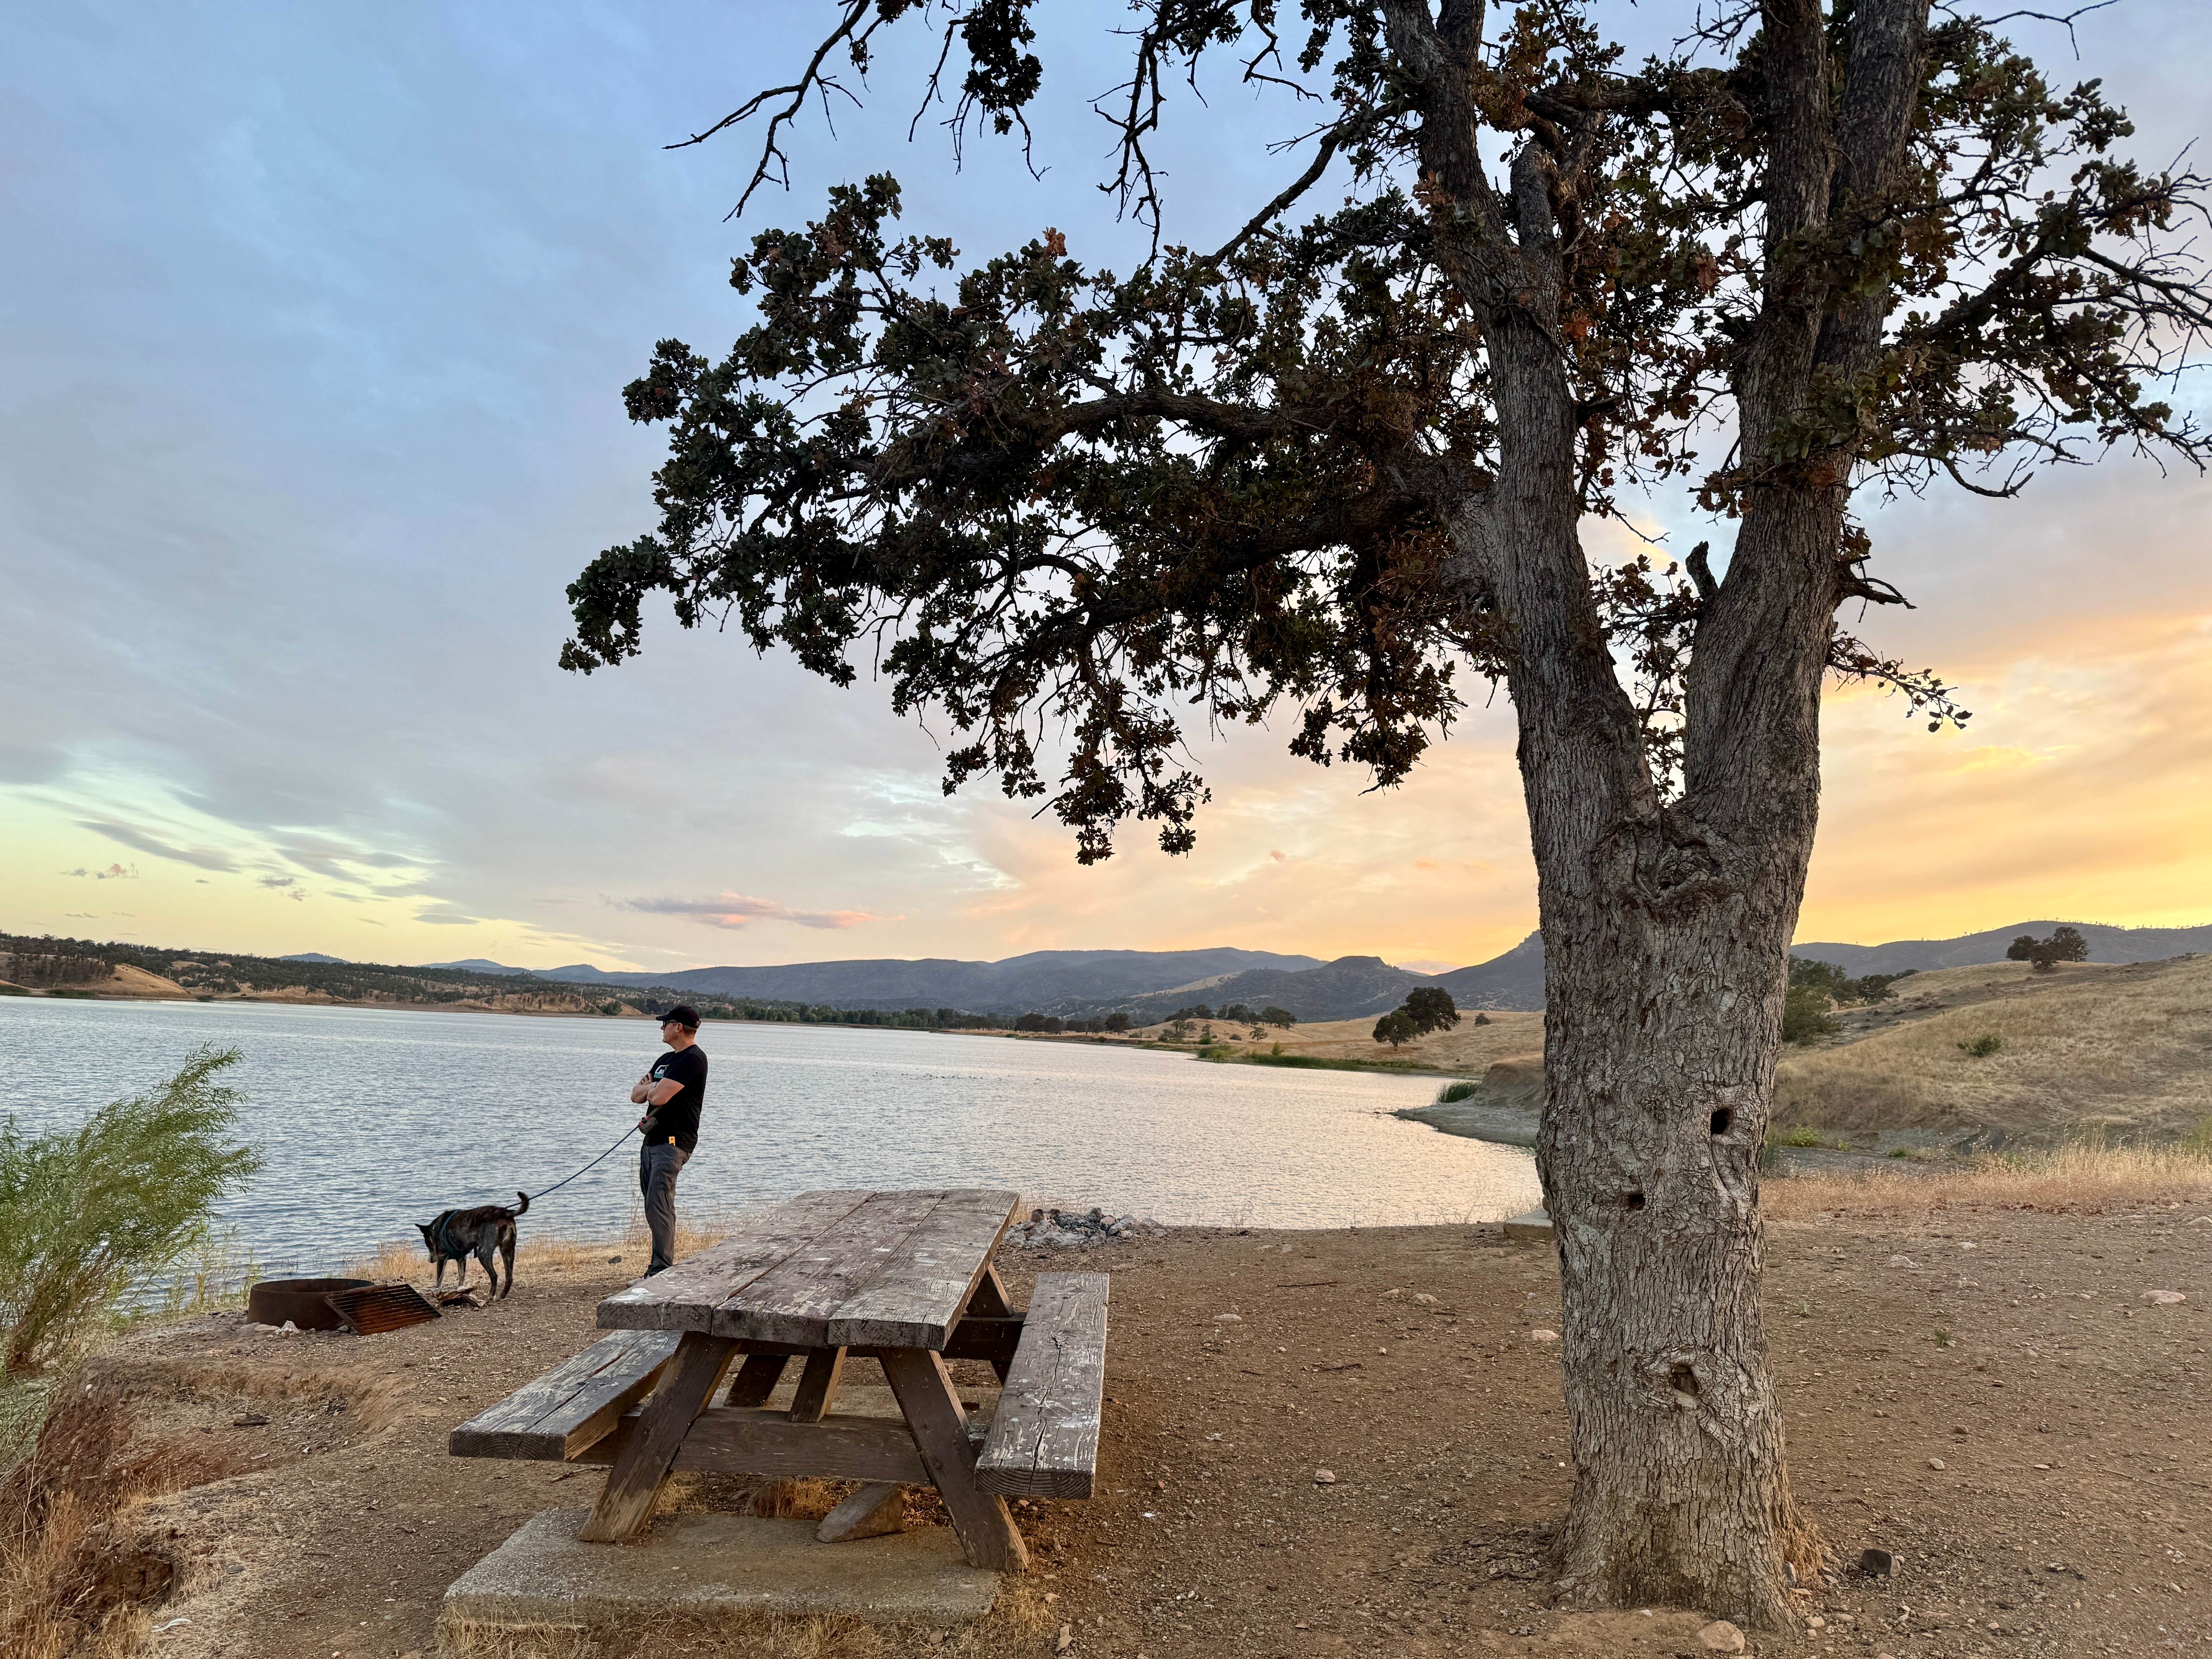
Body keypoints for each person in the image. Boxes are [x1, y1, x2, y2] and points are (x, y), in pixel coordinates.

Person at [630, 1005, 707, 1276]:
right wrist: (654, 1087)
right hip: (652, 1140)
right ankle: (658, 1268)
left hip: (673, 1144)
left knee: (659, 1204)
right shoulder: (665, 1059)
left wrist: (652, 1088)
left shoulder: (693, 1060)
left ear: (678, 1027)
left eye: (666, 1023)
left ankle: (660, 1272)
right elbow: (636, 1095)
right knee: (652, 1203)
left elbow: (658, 1098)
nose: (662, 1028)